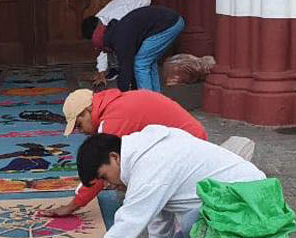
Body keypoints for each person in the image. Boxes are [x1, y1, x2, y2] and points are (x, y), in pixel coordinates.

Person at [49, 127, 265, 238]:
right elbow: (159, 211)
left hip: (248, 203)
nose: (108, 184)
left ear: (115, 157)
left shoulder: (150, 166)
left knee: (193, 222)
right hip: (237, 202)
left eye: (104, 176)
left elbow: (126, 227)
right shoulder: (145, 151)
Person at [41, 88, 207, 217]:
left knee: (151, 201)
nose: (81, 131)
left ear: (88, 110)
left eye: (79, 124)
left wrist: (72, 206)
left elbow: (98, 169)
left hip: (188, 146)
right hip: (185, 139)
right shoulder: (113, 104)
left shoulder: (113, 121)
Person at [86, 5, 185, 92]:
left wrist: (121, 95)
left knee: (141, 63)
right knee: (148, 62)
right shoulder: (116, 32)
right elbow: (128, 67)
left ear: (104, 44)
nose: (103, 51)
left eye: (102, 49)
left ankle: (147, 104)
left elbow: (125, 69)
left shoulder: (120, 39)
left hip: (168, 24)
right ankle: (156, 98)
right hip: (172, 20)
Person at [81, 0, 151, 86]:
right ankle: (117, 70)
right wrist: (101, 72)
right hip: (125, 3)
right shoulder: (97, 21)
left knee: (126, 46)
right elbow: (101, 47)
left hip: (142, 3)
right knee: (111, 42)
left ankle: (132, 77)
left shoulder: (118, 19)